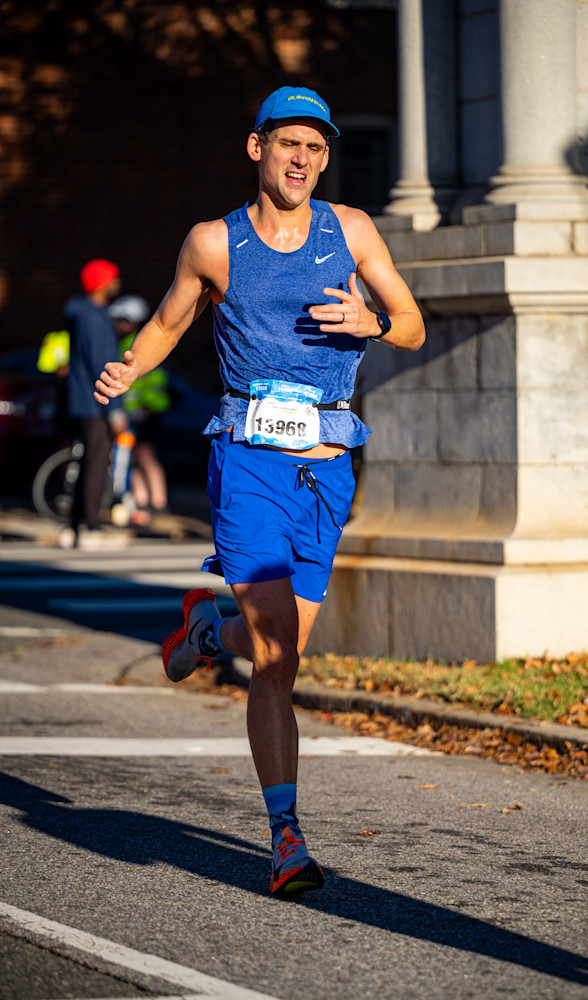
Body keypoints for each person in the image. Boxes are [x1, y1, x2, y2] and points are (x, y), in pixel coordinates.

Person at [94, 87, 425, 896]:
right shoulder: (215, 242)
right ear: (257, 148)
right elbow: (168, 323)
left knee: (282, 651)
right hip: (247, 459)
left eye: (315, 147)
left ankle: (209, 629)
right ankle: (286, 839)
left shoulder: (352, 230)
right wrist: (128, 369)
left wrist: (373, 324)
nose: (302, 159)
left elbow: (412, 324)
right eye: (288, 144)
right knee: (275, 648)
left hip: (328, 467)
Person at [59, 257, 132, 550]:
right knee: (96, 464)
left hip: (82, 400)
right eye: (114, 278)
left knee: (84, 462)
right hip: (97, 402)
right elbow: (102, 365)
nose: (118, 283)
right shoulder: (94, 317)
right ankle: (90, 527)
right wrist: (114, 410)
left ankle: (74, 527)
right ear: (102, 284)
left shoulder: (81, 313)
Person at [108, 295, 170, 524]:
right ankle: (142, 501)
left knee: (145, 456)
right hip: (133, 413)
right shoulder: (125, 342)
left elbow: (152, 381)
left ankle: (159, 501)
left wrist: (147, 406)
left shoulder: (136, 344)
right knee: (132, 457)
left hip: (146, 412)